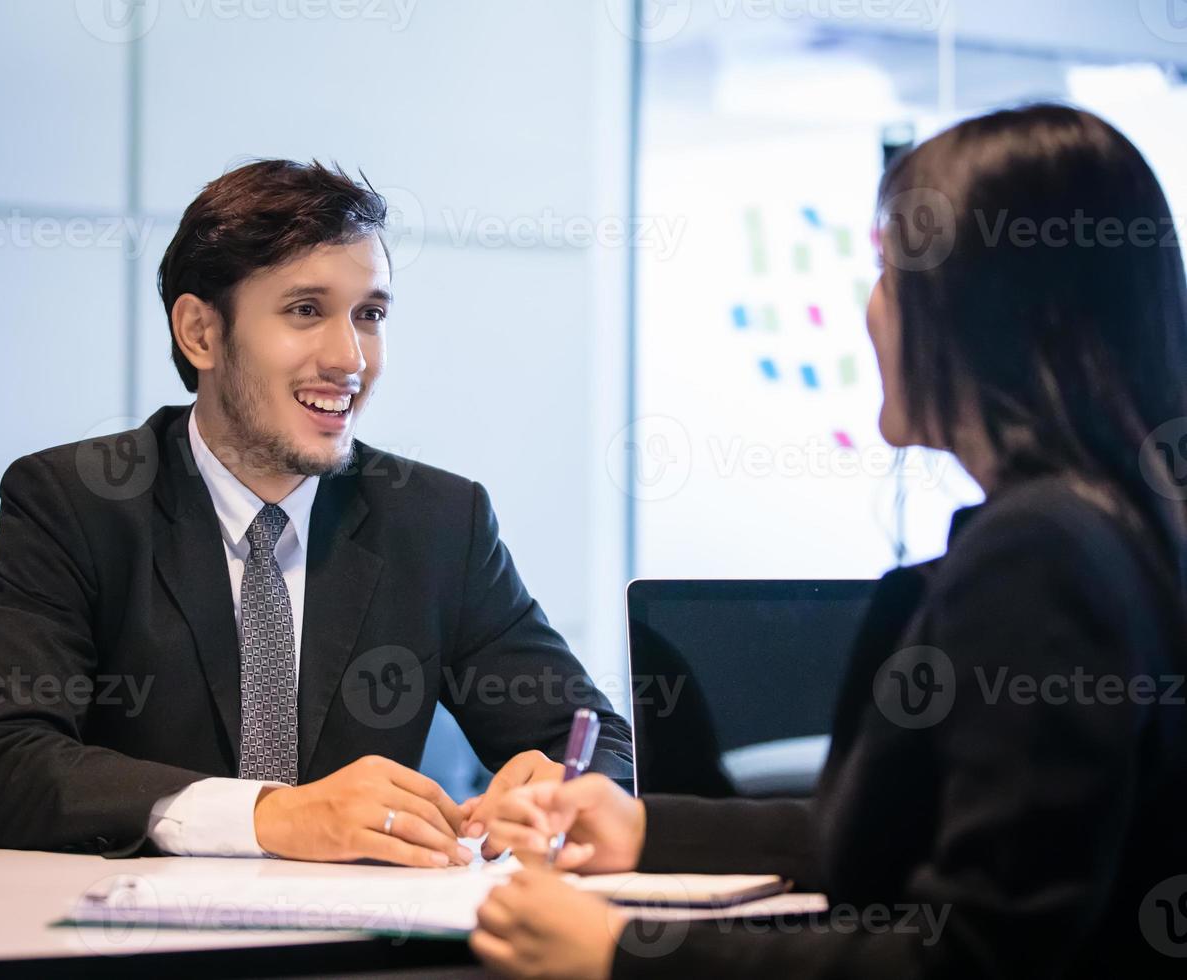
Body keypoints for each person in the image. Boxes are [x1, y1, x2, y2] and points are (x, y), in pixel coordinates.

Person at [469, 105, 1187, 977]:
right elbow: (914, 830)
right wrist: (651, 828)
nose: (870, 310)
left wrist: (626, 956)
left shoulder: (1043, 558)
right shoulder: (1117, 531)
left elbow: (977, 956)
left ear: (977, 313)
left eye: (888, 274)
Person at [0, 159, 632, 864]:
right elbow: (1, 762)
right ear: (201, 333)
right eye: (306, 311)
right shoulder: (76, 502)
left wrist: (564, 784)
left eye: (370, 315)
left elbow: (594, 738)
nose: (349, 357)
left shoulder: (437, 522)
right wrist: (269, 816)